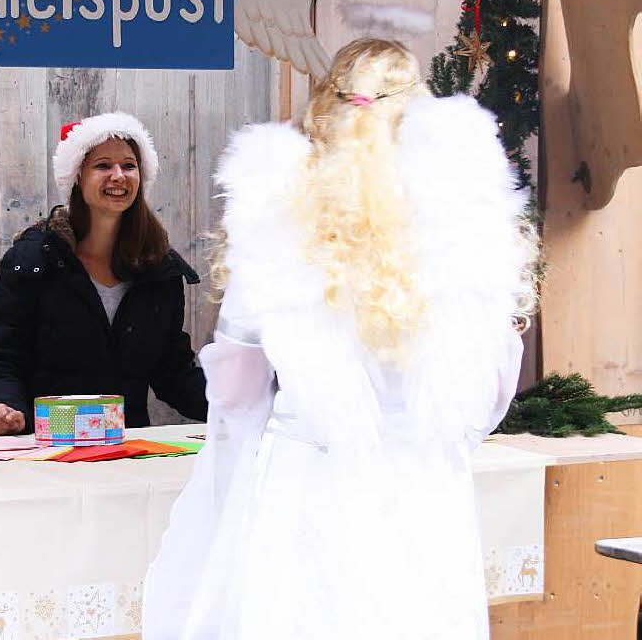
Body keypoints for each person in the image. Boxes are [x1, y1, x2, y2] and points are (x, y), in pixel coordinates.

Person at [143, 39, 538, 639]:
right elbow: (482, 401)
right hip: (421, 492)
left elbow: (236, 390)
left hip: (307, 483)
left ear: (324, 111)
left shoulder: (276, 219)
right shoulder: (470, 228)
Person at [0, 112, 208, 435]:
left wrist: (238, 406)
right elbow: (1, 359)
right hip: (49, 453)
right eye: (103, 166)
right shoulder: (31, 261)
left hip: (127, 453)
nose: (118, 176)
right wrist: (5, 405)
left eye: (128, 165)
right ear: (77, 177)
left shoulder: (159, 268)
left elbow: (173, 371)